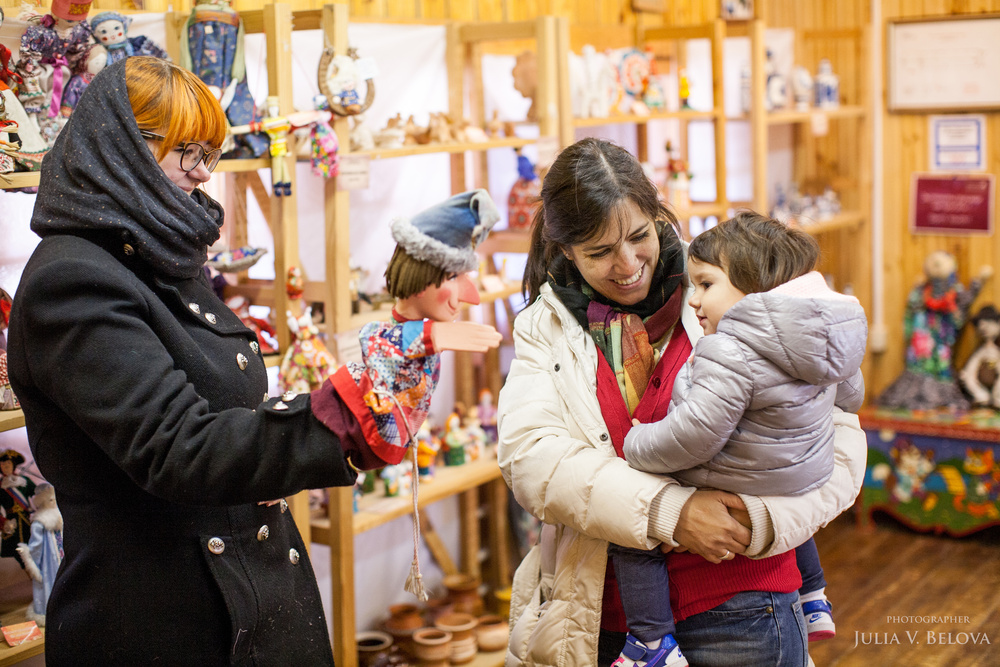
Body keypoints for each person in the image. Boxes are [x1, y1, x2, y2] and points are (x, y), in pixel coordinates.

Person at [5, 56, 440, 666]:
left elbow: (216, 409)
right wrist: (341, 418)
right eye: (186, 151)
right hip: (163, 621)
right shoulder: (74, 279)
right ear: (122, 147)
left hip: (241, 596)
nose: (202, 173)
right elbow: (176, 445)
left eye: (210, 153)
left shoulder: (158, 254)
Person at [496, 138, 868, 667]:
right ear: (565, 251)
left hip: (747, 606)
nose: (628, 266)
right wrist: (673, 513)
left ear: (657, 212)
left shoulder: (728, 282)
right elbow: (531, 459)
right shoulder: (545, 326)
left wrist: (759, 518)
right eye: (600, 253)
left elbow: (836, 435)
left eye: (639, 237)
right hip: (604, 619)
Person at [616, 212, 868, 664]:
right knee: (785, 498)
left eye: (706, 285)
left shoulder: (729, 349)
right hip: (798, 477)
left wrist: (637, 445)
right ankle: (813, 595)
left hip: (732, 486)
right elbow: (851, 396)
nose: (694, 301)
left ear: (755, 288)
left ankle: (650, 643)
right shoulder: (822, 344)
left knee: (631, 529)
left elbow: (695, 435)